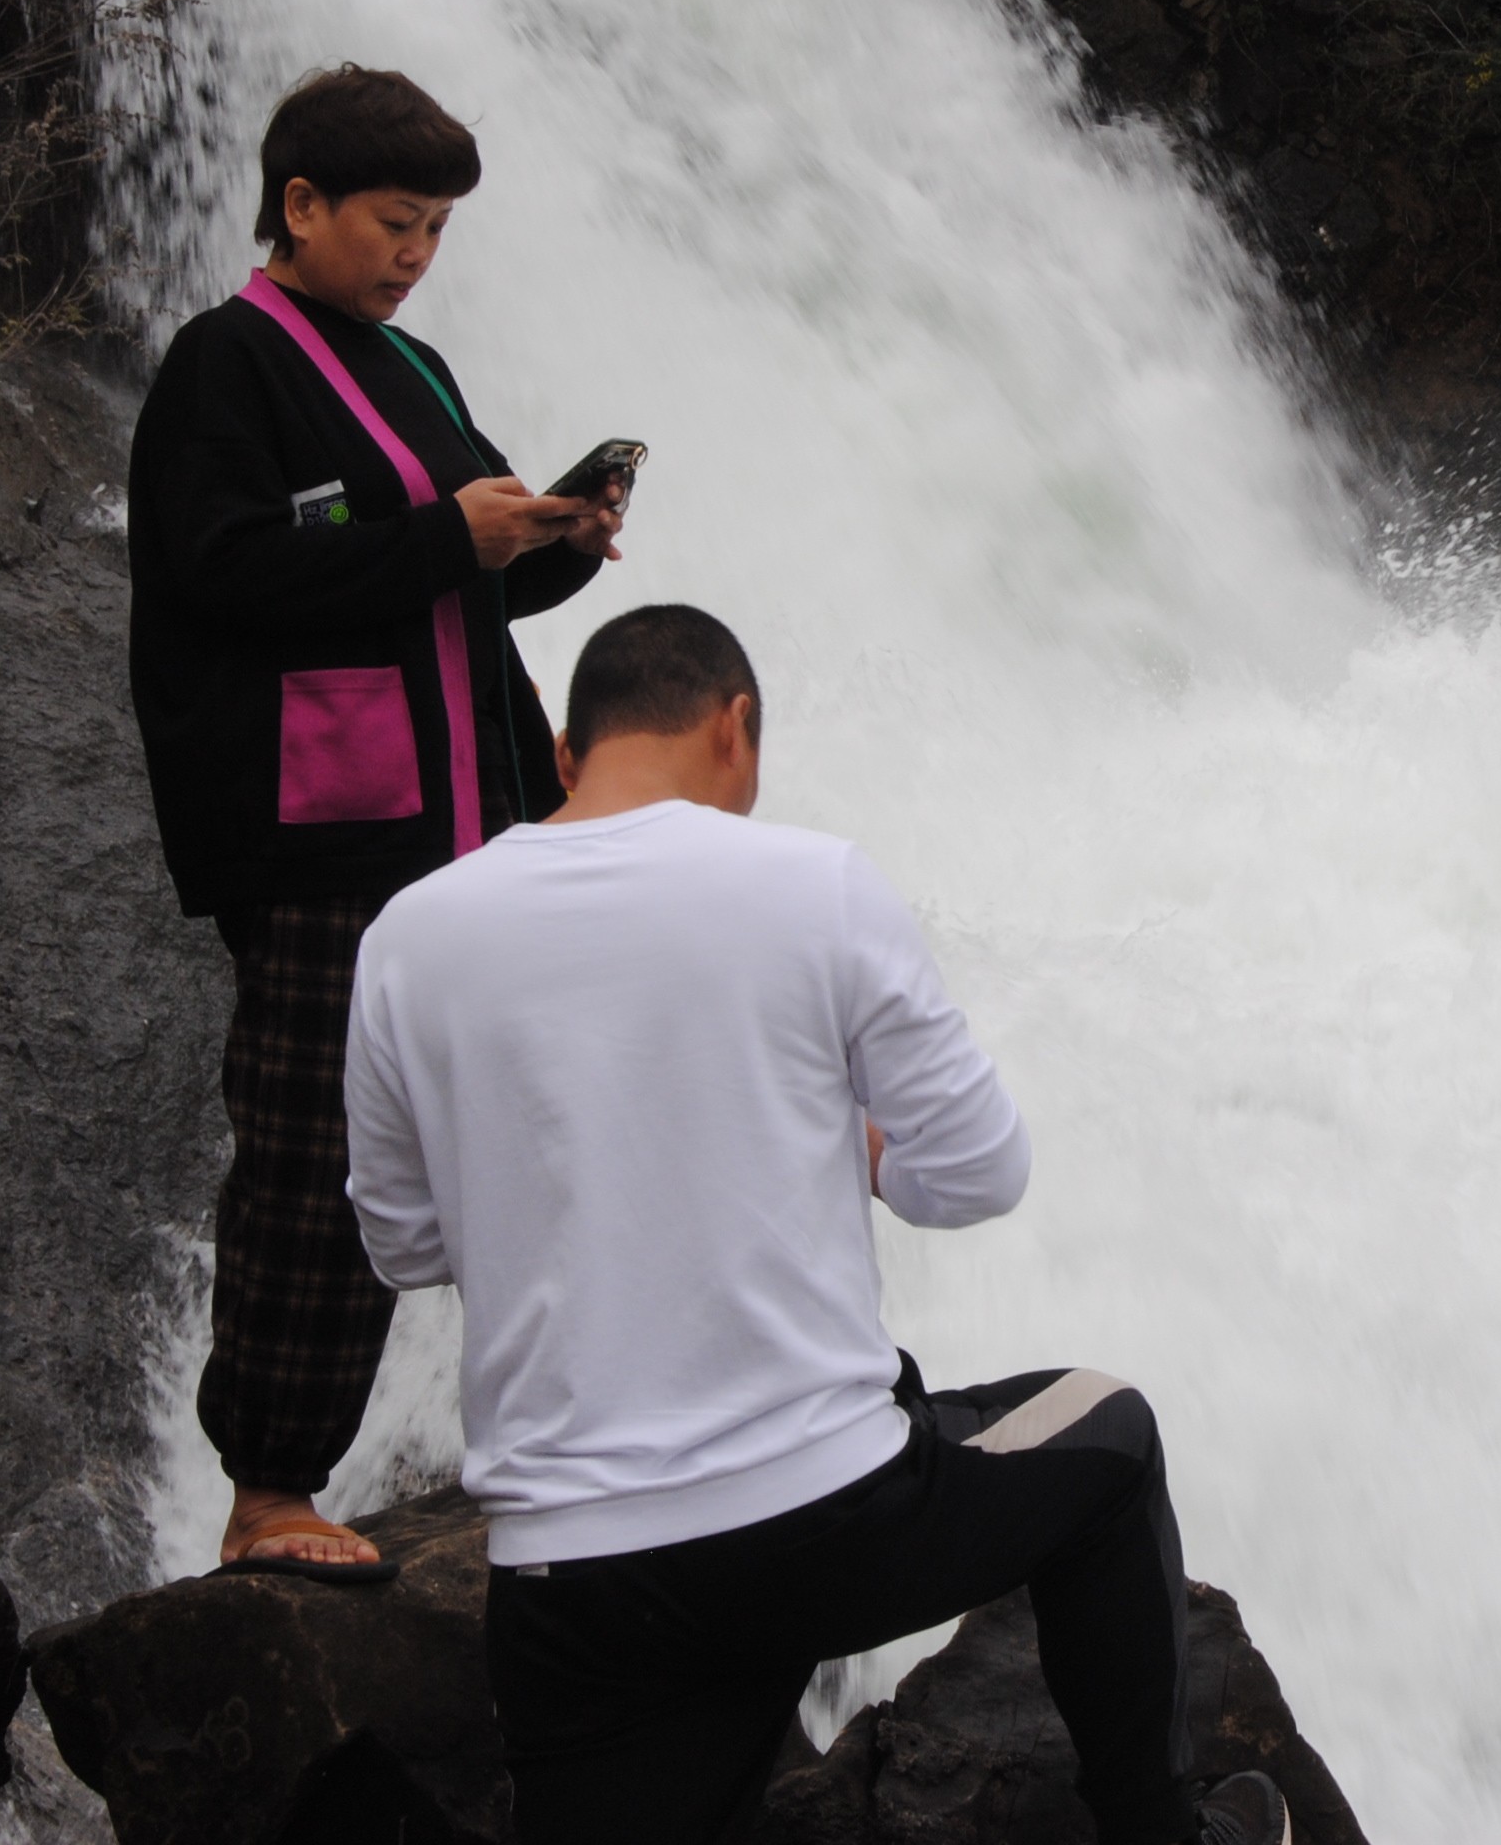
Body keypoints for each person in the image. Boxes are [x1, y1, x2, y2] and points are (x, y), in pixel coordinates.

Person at [343, 606, 1292, 1845]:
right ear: (736, 729)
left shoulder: (408, 937)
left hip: (568, 1577)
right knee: (1109, 1432)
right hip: (822, 1530)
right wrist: (860, 1152)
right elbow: (981, 1171)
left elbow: (403, 1248)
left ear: (569, 755)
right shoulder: (808, 883)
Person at [126, 64, 627, 1577]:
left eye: (435, 232)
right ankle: (270, 1489)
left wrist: (554, 541)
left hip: (469, 829)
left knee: (528, 1126)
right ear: (301, 207)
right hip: (327, 844)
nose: (414, 255)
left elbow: (455, 574)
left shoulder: (411, 372)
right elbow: (216, 576)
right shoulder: (225, 369)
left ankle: (578, 1429)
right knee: (313, 1152)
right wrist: (439, 536)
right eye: (395, 224)